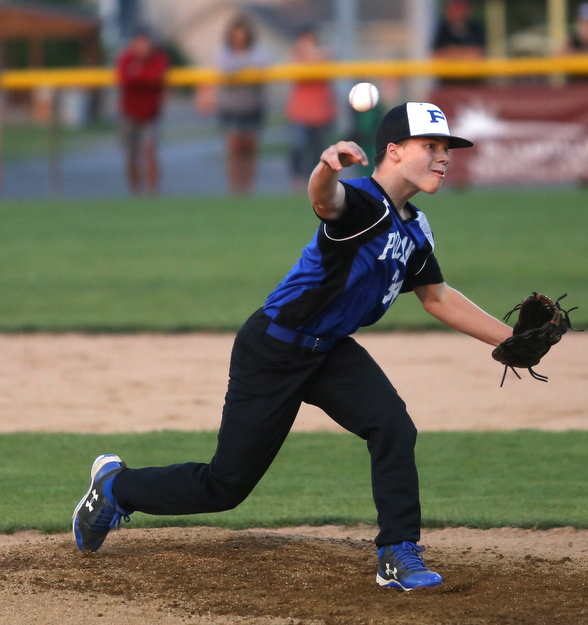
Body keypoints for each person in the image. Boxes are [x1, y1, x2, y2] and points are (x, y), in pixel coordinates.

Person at [73, 101, 512, 591]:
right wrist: (325, 168)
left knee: (392, 426)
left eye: (447, 148)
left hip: (329, 350)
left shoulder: (415, 227)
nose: (443, 157)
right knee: (225, 487)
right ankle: (114, 489)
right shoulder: (363, 205)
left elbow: (438, 297)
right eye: (430, 146)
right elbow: (326, 201)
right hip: (274, 348)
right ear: (393, 150)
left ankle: (397, 553)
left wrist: (511, 340)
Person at [215, 16, 269, 194]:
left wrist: (241, 70)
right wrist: (245, 69)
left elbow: (262, 66)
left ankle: (248, 189)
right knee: (233, 148)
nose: (239, 38)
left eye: (242, 34)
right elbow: (225, 68)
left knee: (250, 149)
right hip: (231, 107)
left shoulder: (258, 52)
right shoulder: (224, 53)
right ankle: (235, 189)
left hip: (252, 106)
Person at [116, 28, 169, 195]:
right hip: (129, 114)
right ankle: (135, 193)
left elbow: (155, 77)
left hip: (150, 115)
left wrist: (138, 74)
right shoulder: (126, 58)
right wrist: (143, 77)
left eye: (145, 43)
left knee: (149, 150)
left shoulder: (159, 58)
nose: (143, 47)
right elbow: (125, 80)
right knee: (131, 155)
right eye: (139, 43)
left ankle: (152, 192)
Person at [285, 28, 336, 192]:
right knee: (298, 147)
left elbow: (326, 61)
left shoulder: (324, 54)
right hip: (300, 112)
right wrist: (307, 55)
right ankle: (297, 182)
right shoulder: (295, 55)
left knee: (318, 151)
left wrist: (312, 55)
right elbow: (294, 69)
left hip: (320, 111)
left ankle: (316, 183)